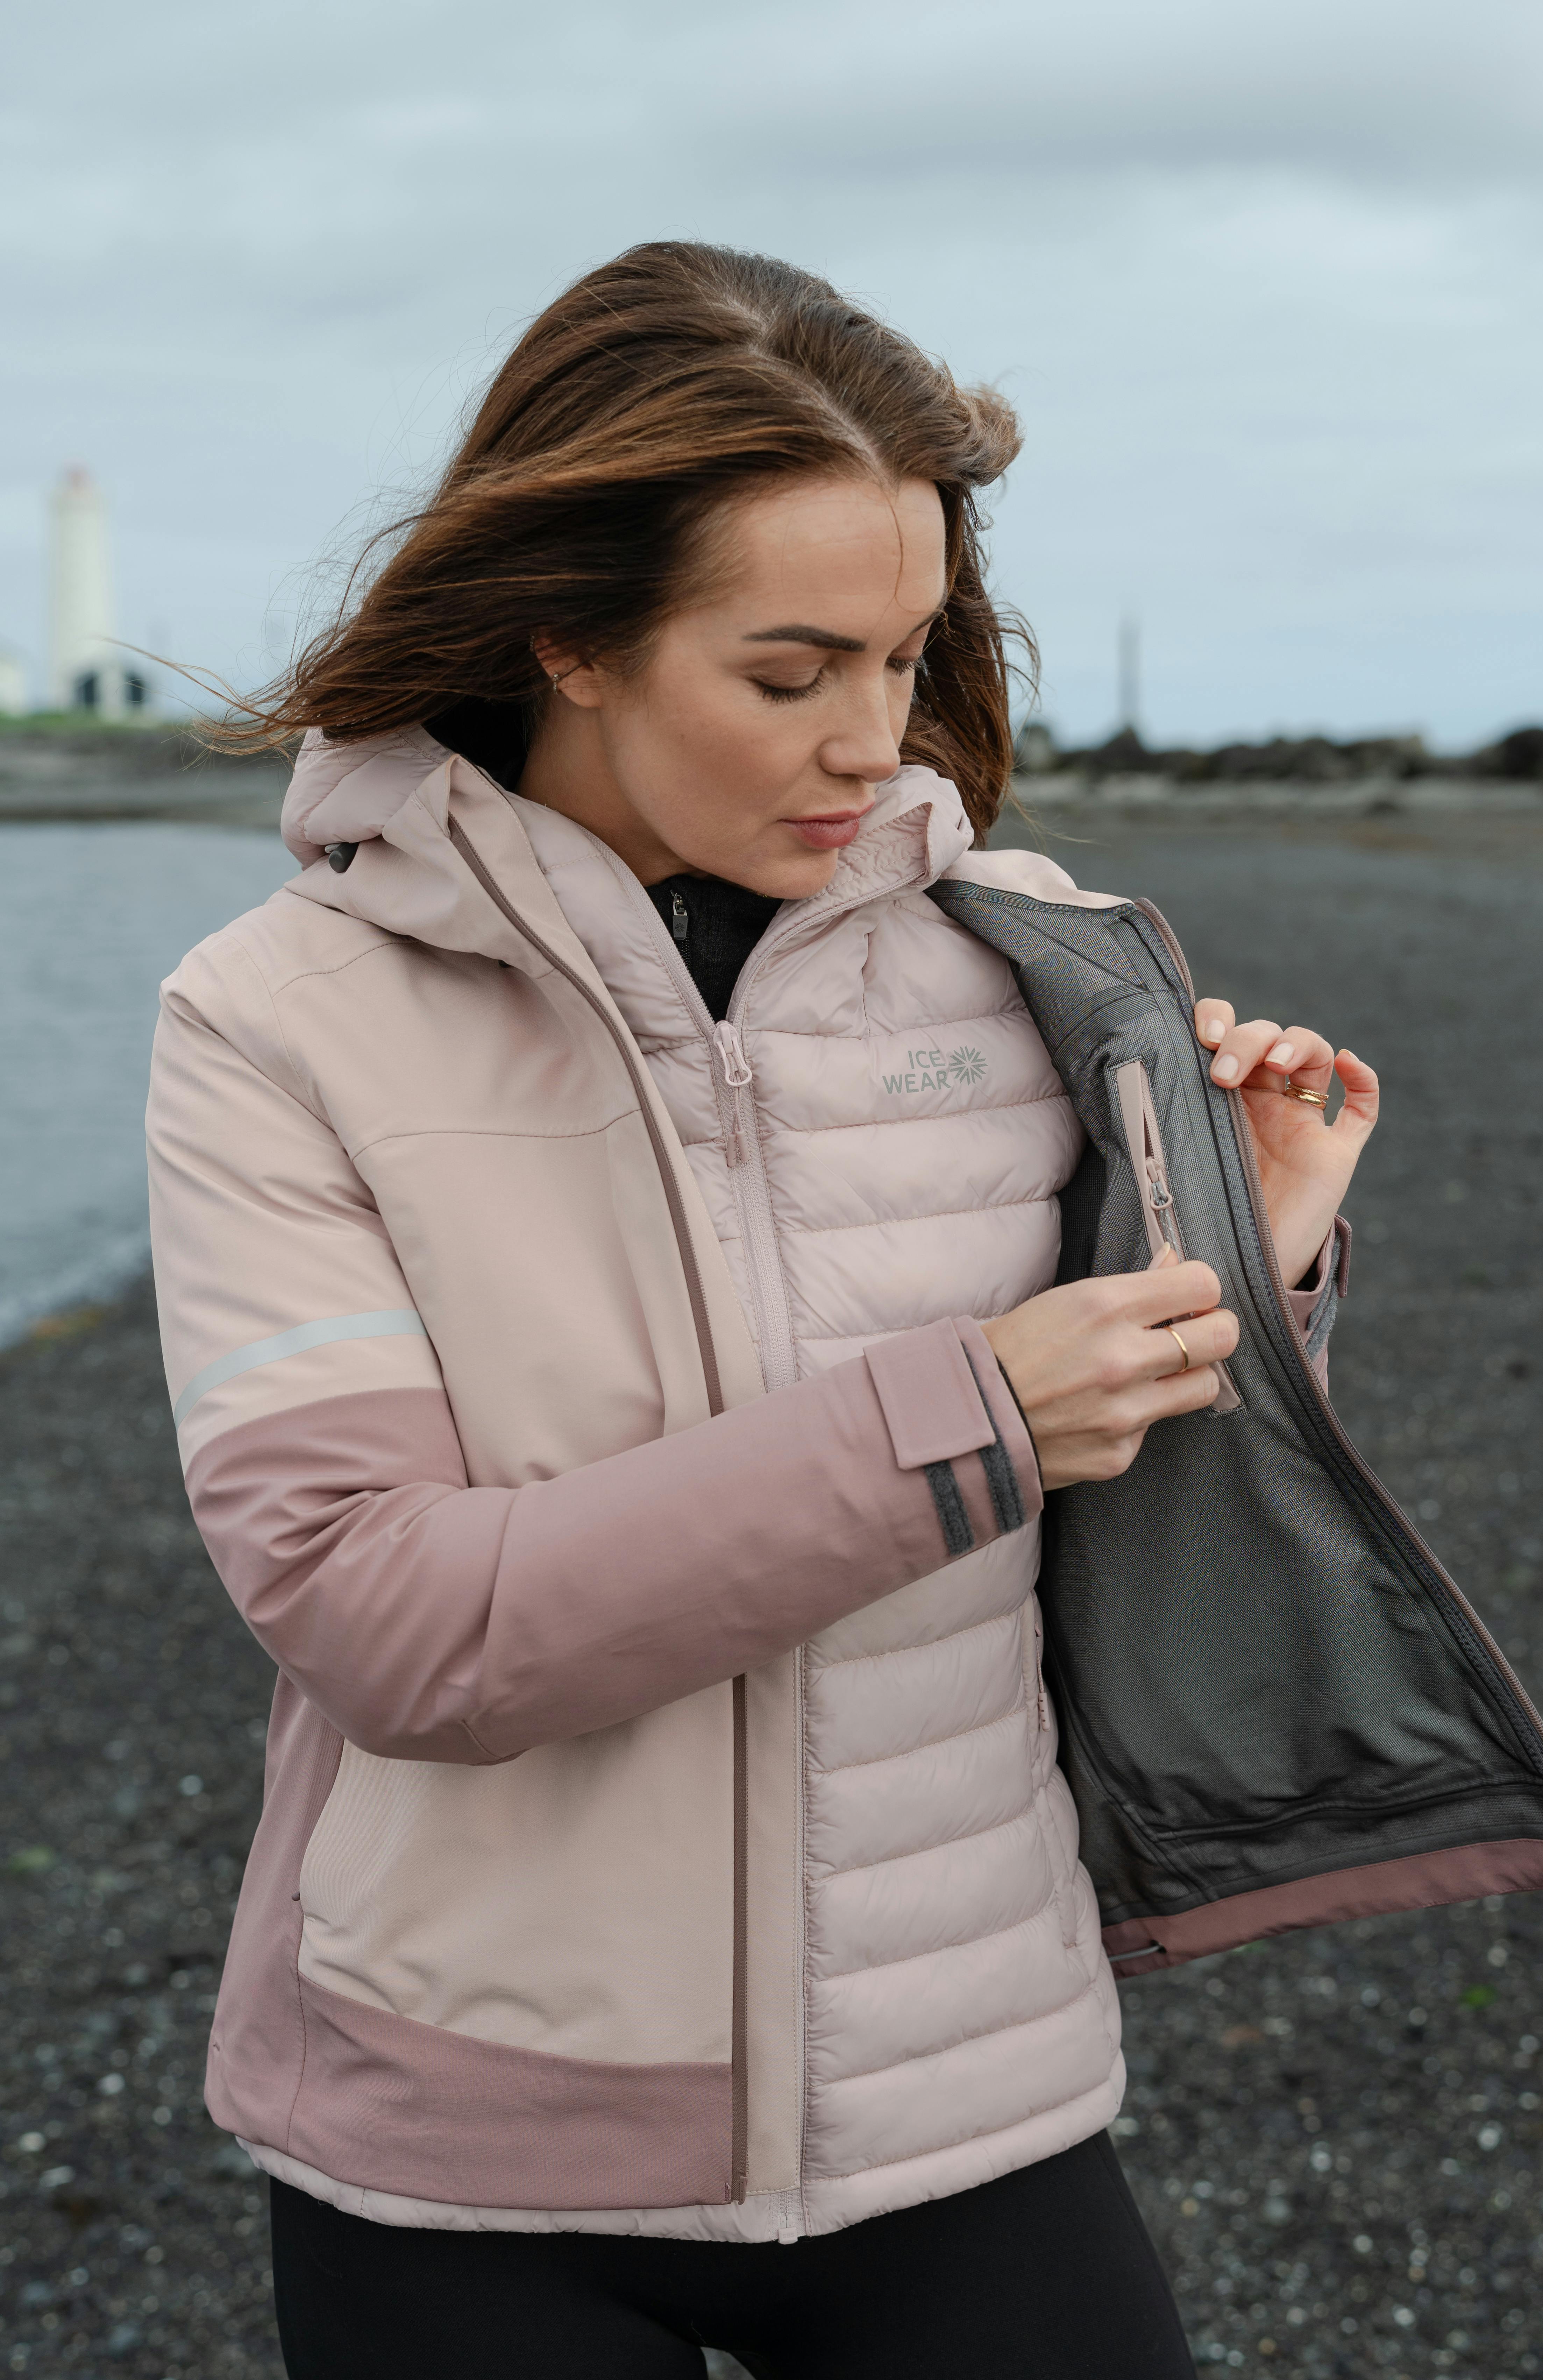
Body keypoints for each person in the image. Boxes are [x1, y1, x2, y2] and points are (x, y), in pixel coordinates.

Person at [148, 243, 1377, 2379]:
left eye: (904, 657)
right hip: (465, 2150)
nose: (869, 740)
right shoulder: (274, 1024)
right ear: (573, 633)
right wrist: (968, 1410)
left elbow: (1137, 1531)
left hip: (963, 2089)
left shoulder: (1041, 958)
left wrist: (1241, 1273)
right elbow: (382, 1612)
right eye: (789, 667)